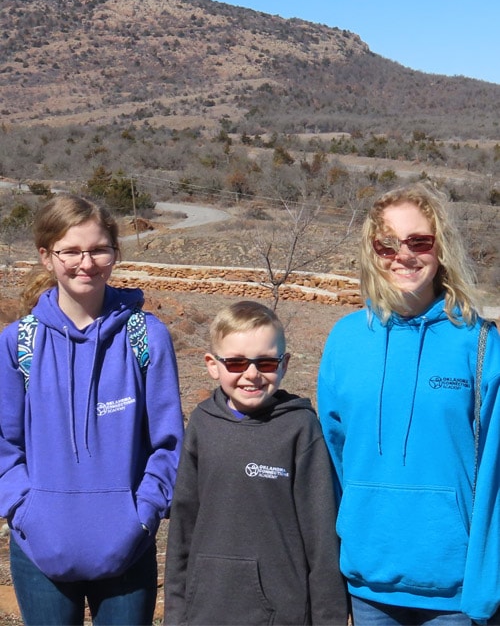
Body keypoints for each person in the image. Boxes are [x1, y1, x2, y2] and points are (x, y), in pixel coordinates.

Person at [317, 183, 500, 625]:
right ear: (372, 251)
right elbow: (333, 459)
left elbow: (495, 472)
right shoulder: (345, 340)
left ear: (441, 250)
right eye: (388, 245)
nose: (405, 255)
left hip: (455, 592)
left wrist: (487, 588)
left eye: (420, 241)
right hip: (367, 585)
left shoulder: (478, 342)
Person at [0, 194, 184, 626]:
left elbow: (168, 442)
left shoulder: (145, 337)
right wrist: (25, 510)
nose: (87, 262)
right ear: (47, 257)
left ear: (115, 253)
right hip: (40, 549)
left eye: (99, 249)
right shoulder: (19, 343)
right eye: (71, 251)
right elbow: (4, 443)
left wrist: (143, 514)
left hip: (127, 546)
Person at [163, 299, 348, 625]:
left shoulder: (301, 428)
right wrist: (175, 615)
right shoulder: (202, 425)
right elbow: (182, 528)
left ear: (284, 363)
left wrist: (327, 618)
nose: (251, 374)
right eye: (235, 363)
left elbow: (321, 542)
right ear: (212, 364)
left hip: (282, 612)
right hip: (206, 610)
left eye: (265, 363)